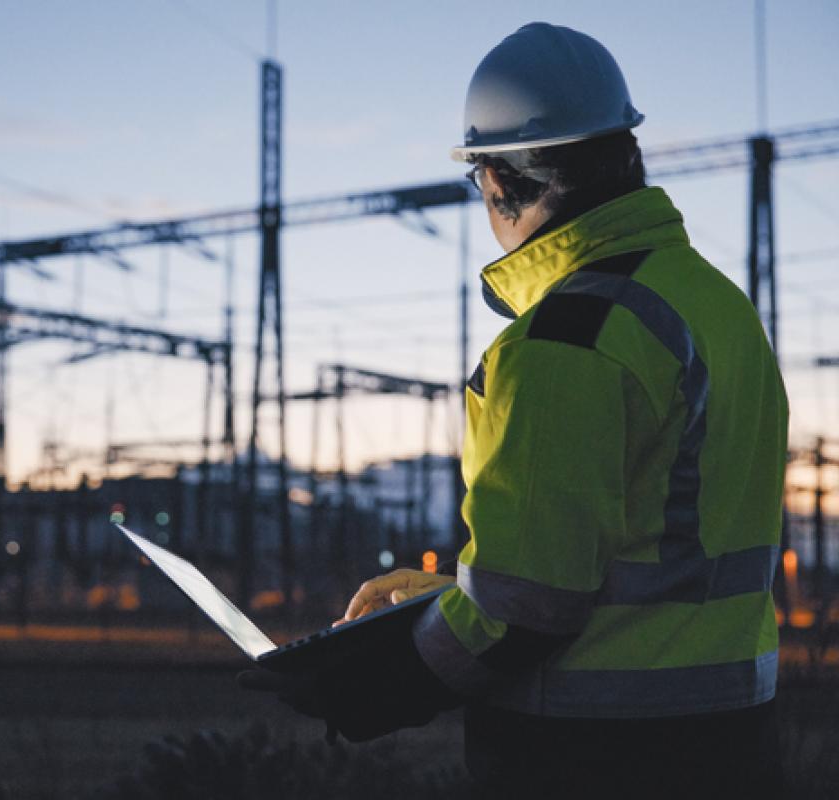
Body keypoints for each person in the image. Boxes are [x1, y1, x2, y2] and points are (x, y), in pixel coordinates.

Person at [240, 22, 787, 798]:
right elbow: (648, 560)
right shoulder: (713, 305)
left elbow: (526, 611)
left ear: (497, 181)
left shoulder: (565, 340)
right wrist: (447, 600)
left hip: (594, 757)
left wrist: (373, 681)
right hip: (732, 737)